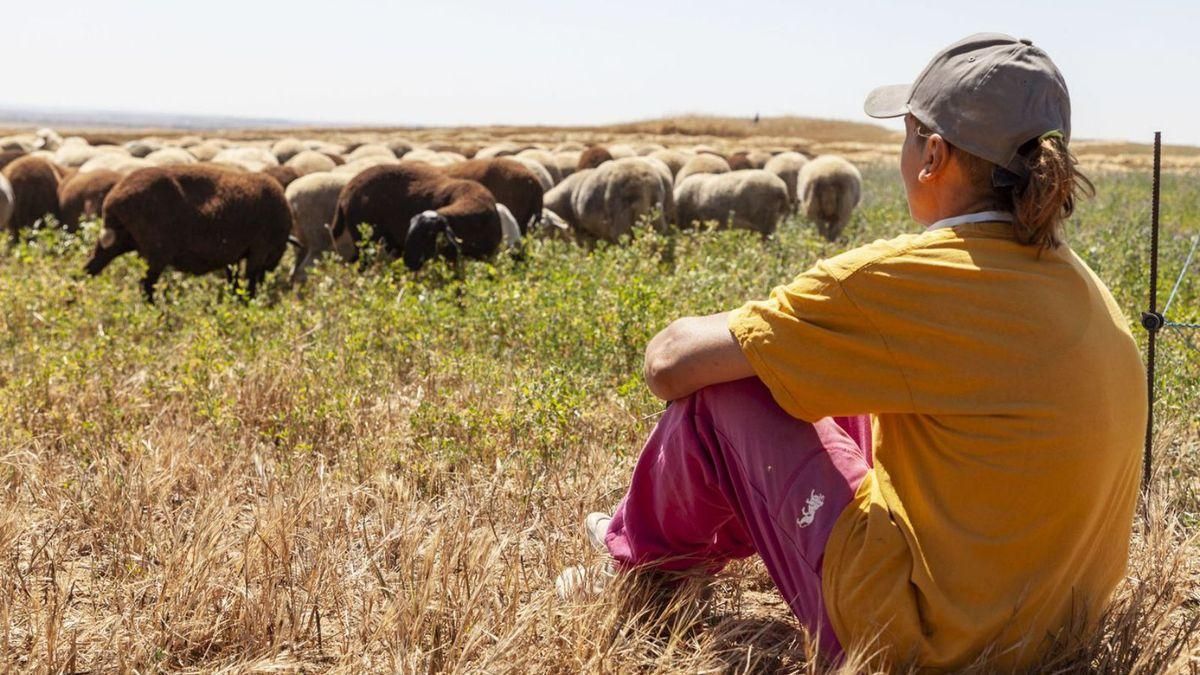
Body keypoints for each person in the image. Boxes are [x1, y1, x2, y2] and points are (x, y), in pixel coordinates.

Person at [557, 33, 1147, 670]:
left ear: (933, 157)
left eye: (908, 134)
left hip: (917, 646)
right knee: (843, 392)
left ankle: (639, 565)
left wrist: (769, 328)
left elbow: (669, 363)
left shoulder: (910, 281)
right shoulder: (1087, 289)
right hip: (1050, 635)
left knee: (727, 389)